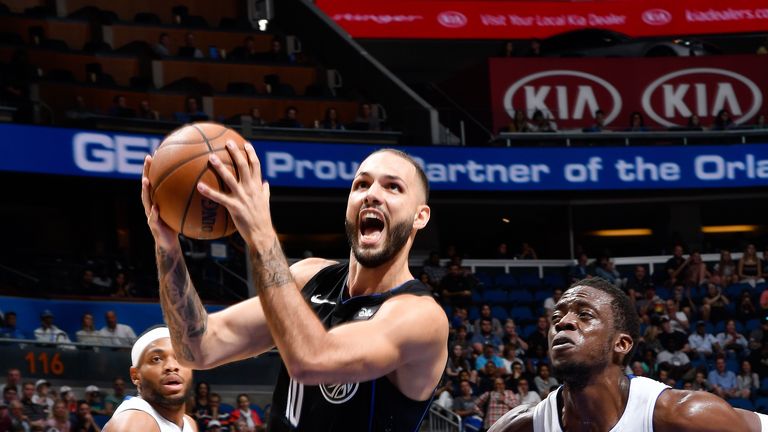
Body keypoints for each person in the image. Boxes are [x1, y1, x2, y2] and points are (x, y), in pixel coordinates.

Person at [141, 147, 449, 430]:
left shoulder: (421, 316)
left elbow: (312, 361)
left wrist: (261, 235)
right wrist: (168, 249)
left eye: (392, 187)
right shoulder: (306, 277)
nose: (371, 195)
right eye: (361, 185)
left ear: (419, 217)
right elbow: (197, 347)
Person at [488, 277, 768, 432]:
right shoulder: (522, 427)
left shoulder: (683, 416)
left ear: (621, 344)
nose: (563, 322)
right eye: (557, 316)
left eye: (585, 315)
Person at [103, 326, 196, 431]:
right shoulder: (135, 423)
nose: (171, 366)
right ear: (135, 376)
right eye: (156, 359)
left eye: (180, 357)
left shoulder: (189, 423)